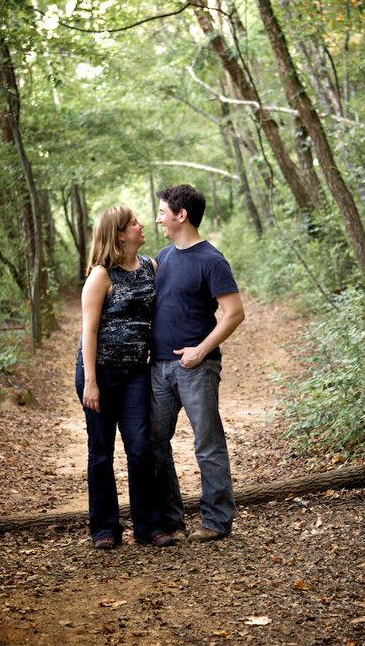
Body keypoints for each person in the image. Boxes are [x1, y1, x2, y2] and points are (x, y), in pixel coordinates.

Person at [150, 184, 245, 544]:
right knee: (155, 443)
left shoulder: (212, 260)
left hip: (196, 368)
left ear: (181, 215)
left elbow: (234, 314)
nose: (158, 217)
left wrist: (201, 351)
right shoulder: (164, 255)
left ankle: (217, 520)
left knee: (207, 443)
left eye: (162, 212)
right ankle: (171, 520)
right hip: (157, 369)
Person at [77, 206, 175, 550]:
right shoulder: (101, 275)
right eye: (134, 223)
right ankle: (104, 529)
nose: (141, 225)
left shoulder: (150, 266)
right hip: (100, 373)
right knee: (101, 451)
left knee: (140, 447)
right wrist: (90, 381)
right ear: (120, 234)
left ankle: (149, 527)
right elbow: (88, 332)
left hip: (136, 372)